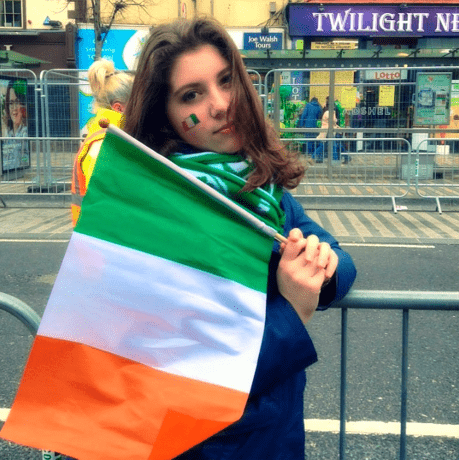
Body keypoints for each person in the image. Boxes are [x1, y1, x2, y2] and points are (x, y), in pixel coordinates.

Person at [122, 17, 356, 459]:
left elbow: (342, 261)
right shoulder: (158, 213)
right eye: (192, 94)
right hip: (210, 444)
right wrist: (292, 308)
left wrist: (316, 273)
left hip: (276, 436)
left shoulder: (260, 185)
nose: (221, 104)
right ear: (164, 116)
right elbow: (191, 373)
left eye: (227, 81)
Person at [71, 58, 134, 226]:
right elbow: (108, 200)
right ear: (119, 108)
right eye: (137, 104)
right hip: (100, 235)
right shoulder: (103, 145)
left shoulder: (115, 137)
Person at [2, 79, 29, 172]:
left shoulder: (24, 134)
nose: (14, 108)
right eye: (10, 103)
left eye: (17, 102)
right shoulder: (8, 134)